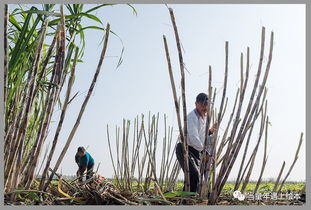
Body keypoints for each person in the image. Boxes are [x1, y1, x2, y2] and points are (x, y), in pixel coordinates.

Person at [175, 93, 216, 193]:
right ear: (196, 104)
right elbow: (193, 137)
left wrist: (209, 132)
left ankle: (186, 200)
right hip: (185, 149)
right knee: (193, 175)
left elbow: (201, 135)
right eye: (202, 105)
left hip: (196, 151)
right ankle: (188, 201)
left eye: (206, 105)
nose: (204, 107)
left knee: (194, 178)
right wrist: (204, 152)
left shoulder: (204, 118)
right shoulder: (191, 117)